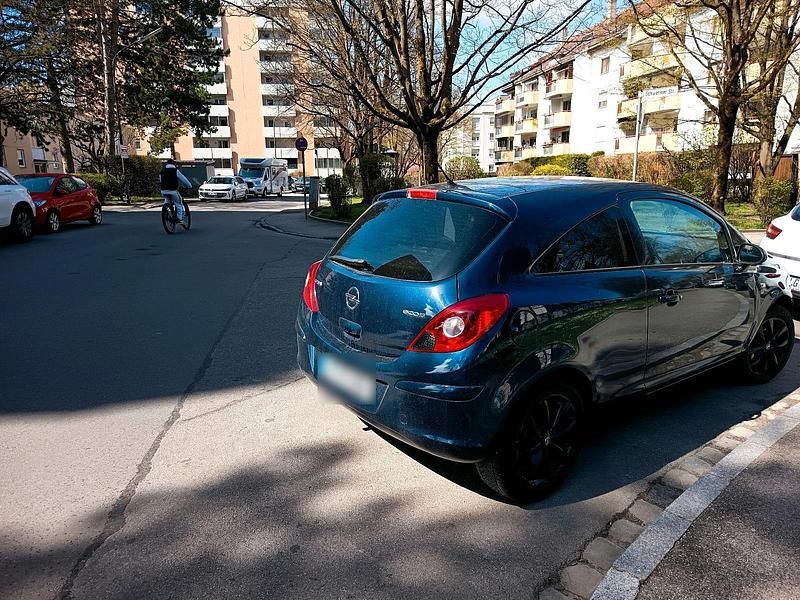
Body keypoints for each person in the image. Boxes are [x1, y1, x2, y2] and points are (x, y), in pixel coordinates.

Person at [160, 159, 192, 226]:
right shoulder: (175, 171)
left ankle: (166, 211)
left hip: (163, 190)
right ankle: (179, 218)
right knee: (179, 203)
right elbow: (184, 179)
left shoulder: (162, 171)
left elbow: (161, 181)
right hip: (173, 190)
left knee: (167, 201)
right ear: (174, 164)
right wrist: (189, 186)